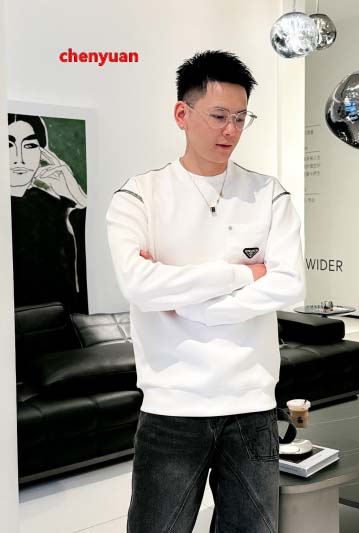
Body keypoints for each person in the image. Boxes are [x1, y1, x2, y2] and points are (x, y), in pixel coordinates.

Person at [106, 50, 305, 533]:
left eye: (241, 118)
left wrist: (195, 307)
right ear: (182, 113)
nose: (230, 130)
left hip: (251, 406)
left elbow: (290, 282)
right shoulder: (140, 196)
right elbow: (138, 283)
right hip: (172, 408)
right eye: (219, 116)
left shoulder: (268, 194)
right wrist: (241, 275)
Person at [9, 113, 88, 313]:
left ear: (43, 153)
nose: (19, 158)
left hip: (60, 324)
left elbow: (78, 291)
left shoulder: (52, 207)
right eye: (8, 145)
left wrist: (78, 198)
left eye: (29, 146)